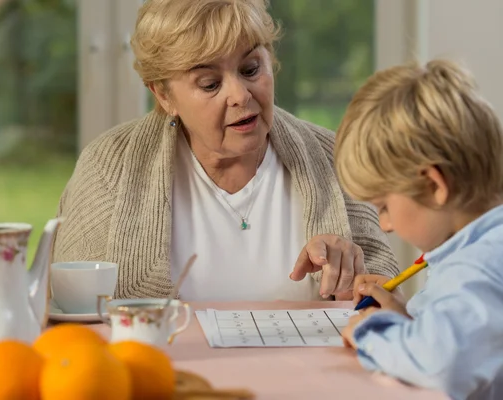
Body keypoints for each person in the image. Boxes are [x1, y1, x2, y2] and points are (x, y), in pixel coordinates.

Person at [51, 0, 398, 301]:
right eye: (210, 84)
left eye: (250, 69)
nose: (240, 95)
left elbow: (388, 300)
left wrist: (352, 283)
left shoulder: (332, 156)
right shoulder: (109, 166)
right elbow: (67, 310)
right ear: (163, 95)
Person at [336, 59, 503, 400]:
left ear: (433, 185)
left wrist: (372, 331)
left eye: (384, 206)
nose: (386, 225)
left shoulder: (477, 266)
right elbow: (469, 335)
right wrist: (407, 317)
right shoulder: (483, 245)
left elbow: (443, 362)